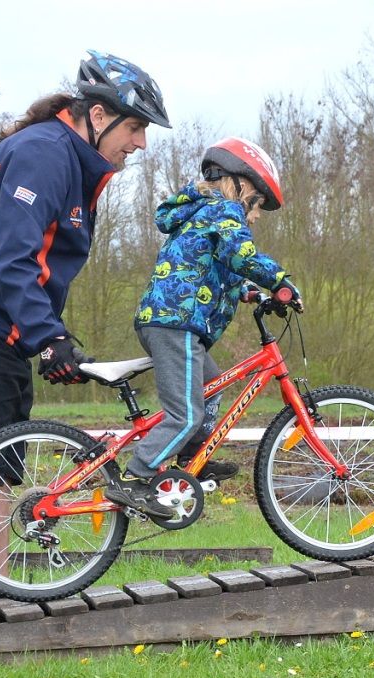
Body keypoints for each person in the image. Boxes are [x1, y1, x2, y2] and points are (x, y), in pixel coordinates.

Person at [0, 50, 170, 606]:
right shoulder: (43, 154)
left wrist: (44, 332)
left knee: (0, 470)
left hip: (4, 331)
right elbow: (12, 255)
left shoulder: (72, 165)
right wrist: (48, 336)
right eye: (135, 127)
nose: (141, 143)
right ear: (98, 116)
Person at [111, 137, 301, 518]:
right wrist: (279, 281)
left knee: (211, 387)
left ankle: (189, 457)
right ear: (241, 185)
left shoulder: (205, 212)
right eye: (259, 203)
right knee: (185, 414)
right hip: (175, 325)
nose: (257, 214)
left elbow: (213, 263)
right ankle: (134, 478)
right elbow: (240, 254)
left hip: (176, 322)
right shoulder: (224, 210)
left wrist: (247, 291)